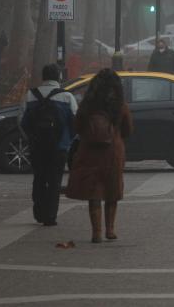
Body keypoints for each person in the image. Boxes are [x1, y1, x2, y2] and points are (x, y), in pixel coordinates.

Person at [66, 68, 133, 243]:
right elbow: (127, 130)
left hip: (90, 152)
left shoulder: (87, 106)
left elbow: (77, 127)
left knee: (94, 191)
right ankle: (110, 230)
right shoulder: (120, 106)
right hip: (113, 152)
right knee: (112, 191)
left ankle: (96, 232)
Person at [19, 64, 77, 226]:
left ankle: (38, 212)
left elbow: (21, 121)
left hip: (37, 146)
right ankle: (50, 216)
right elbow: (75, 122)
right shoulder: (67, 96)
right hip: (59, 147)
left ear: (43, 77)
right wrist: (67, 140)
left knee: (39, 178)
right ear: (59, 77)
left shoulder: (30, 95)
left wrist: (30, 138)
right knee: (54, 181)